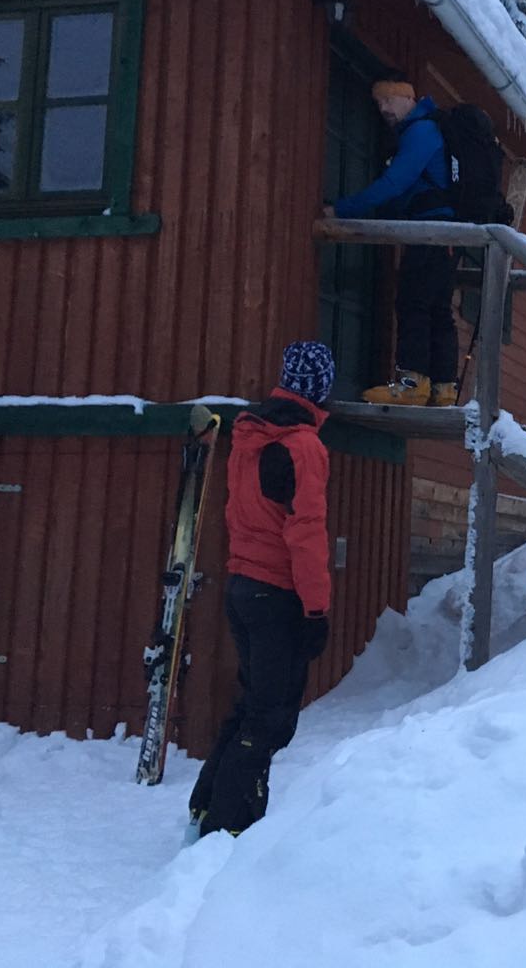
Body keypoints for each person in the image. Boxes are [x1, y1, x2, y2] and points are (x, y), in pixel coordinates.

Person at [189, 341, 335, 838]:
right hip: (278, 596)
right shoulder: (303, 446)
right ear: (320, 388)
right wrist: (316, 610)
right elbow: (306, 533)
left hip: (243, 587)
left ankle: (206, 807)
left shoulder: (250, 434)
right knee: (270, 718)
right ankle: (226, 829)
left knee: (252, 706)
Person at [325, 78, 459, 407]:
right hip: (447, 234)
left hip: (428, 231)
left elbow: (395, 183)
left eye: (389, 98)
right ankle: (443, 389)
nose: (383, 108)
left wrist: (341, 210)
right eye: (378, 102)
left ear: (409, 98)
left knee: (414, 303)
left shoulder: (420, 131)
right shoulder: (428, 129)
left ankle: (412, 385)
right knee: (437, 308)